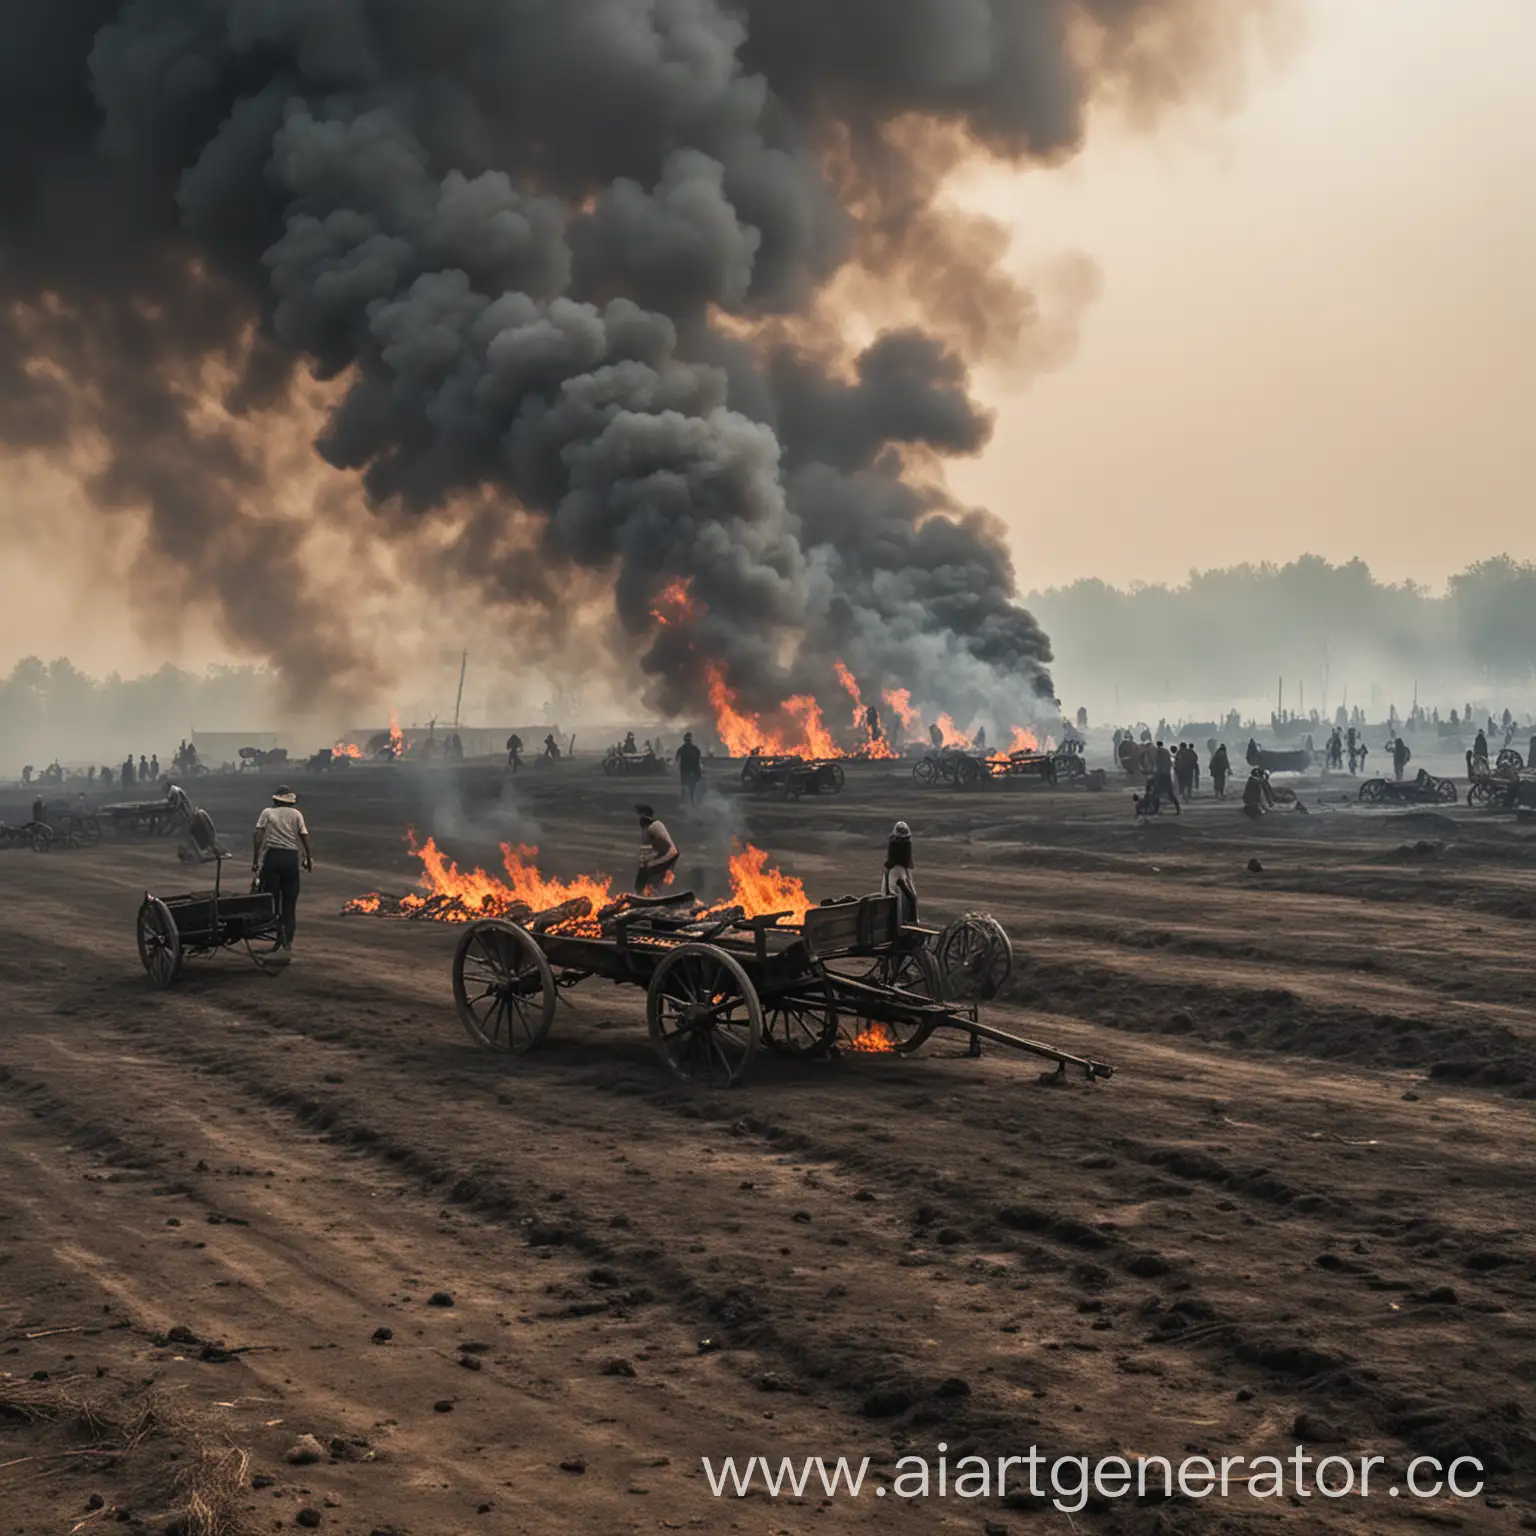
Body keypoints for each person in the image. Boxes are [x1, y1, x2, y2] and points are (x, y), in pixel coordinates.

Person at [252, 786, 312, 952]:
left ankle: (278, 938)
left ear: (275, 800)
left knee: (273, 900)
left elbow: (258, 836)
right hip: (291, 858)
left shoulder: (267, 813)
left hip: (273, 857)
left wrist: (256, 860)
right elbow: (304, 836)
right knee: (290, 903)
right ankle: (287, 943)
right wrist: (308, 857)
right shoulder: (297, 814)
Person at [634, 804, 678, 894]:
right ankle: (648, 893)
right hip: (666, 855)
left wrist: (645, 864)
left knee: (646, 872)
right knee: (649, 873)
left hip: (669, 855)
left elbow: (645, 852)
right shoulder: (656, 825)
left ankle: (642, 894)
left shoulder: (652, 828)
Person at [675, 731, 703, 805]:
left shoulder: (690, 749)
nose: (687, 741)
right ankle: (689, 801)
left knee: (689, 787)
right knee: (687, 787)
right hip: (687, 771)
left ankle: (690, 802)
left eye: (688, 740)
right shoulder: (689, 749)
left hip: (690, 770)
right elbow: (677, 758)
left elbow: (677, 759)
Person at [1153, 740, 1180, 814]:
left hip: (1161, 775)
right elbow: (1169, 764)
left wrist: (1156, 774)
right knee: (1170, 793)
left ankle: (1156, 809)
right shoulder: (1166, 752)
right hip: (1167, 774)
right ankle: (1178, 809)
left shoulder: (1159, 752)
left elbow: (1158, 764)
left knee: (1156, 793)